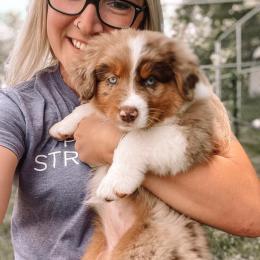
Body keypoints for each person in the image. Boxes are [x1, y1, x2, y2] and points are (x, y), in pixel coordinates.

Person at [0, 0, 259, 259]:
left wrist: (112, 144)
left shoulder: (183, 91)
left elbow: (251, 213)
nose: (87, 23)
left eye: (117, 3)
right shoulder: (16, 108)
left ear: (143, 18)